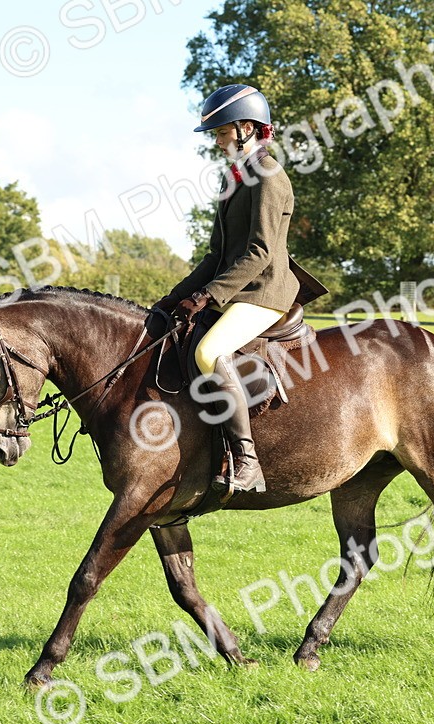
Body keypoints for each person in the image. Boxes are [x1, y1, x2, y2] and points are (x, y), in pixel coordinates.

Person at [153, 84, 300, 495]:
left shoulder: (269, 176)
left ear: (247, 128)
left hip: (265, 291)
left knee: (207, 351)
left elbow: (260, 252)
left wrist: (207, 297)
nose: (217, 142)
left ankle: (247, 460)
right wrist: (172, 298)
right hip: (238, 288)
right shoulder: (234, 178)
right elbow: (216, 254)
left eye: (221, 133)